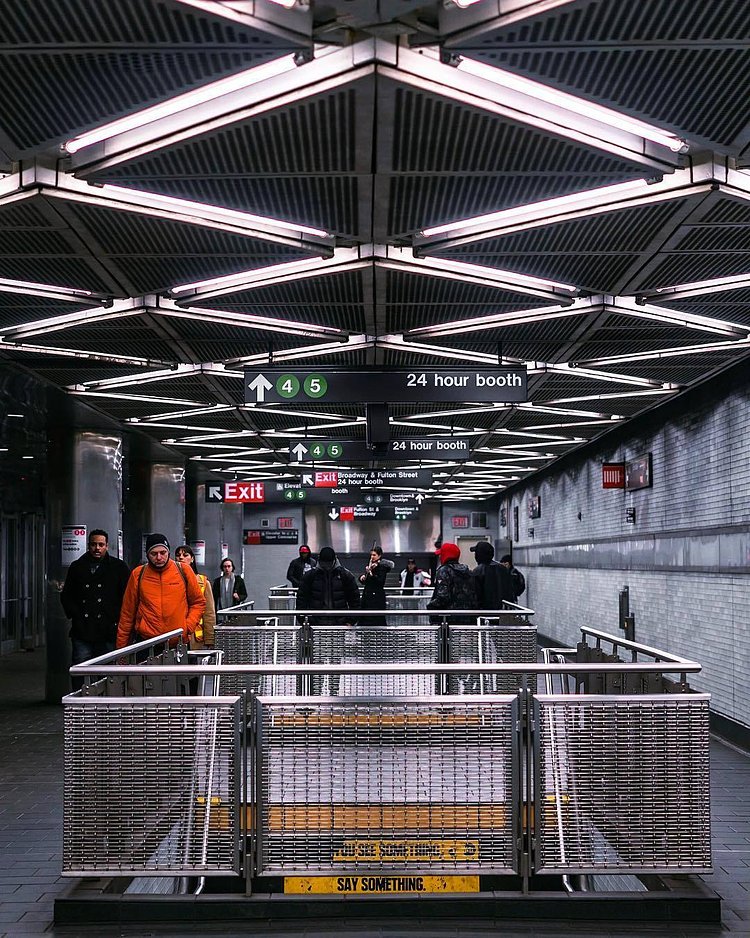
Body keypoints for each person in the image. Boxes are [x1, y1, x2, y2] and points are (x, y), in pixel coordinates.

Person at [61, 528, 130, 687]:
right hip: (83, 629)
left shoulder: (118, 568)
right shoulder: (77, 567)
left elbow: (127, 597)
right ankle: (80, 702)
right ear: (88, 546)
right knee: (81, 667)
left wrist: (119, 619)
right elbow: (67, 595)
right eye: (93, 544)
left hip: (108, 628)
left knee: (107, 670)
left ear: (107, 546)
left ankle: (105, 703)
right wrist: (75, 615)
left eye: (101, 544)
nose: (97, 548)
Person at [115, 533, 205, 649]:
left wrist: (188, 626)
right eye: (154, 554)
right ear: (147, 555)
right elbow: (127, 614)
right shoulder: (138, 574)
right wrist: (121, 650)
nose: (159, 557)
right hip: (147, 642)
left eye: (163, 553)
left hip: (178, 641)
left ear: (168, 552)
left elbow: (198, 602)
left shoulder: (184, 570)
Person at [296, 546, 359, 695]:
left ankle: (333, 692)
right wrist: (304, 621)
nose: (325, 566)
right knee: (318, 660)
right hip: (317, 625)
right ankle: (317, 692)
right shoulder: (311, 576)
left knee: (334, 661)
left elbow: (355, 599)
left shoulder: (344, 575)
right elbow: (301, 599)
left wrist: (351, 620)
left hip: (337, 625)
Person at [174, 545, 217, 648]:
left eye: (185, 555)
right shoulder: (170, 581)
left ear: (192, 559)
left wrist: (210, 639)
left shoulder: (203, 582)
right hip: (175, 635)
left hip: (194, 636)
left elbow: (209, 613)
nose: (181, 558)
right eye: (178, 555)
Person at [427, 542, 477, 624]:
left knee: (446, 637)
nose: (439, 557)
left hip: (448, 619)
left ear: (445, 556)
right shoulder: (467, 571)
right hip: (467, 618)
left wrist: (431, 606)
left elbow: (443, 596)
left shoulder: (444, 571)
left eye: (441, 554)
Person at [471, 542, 516, 610]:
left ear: (478, 555)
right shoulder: (503, 569)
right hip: (503, 611)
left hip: (485, 612)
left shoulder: (478, 571)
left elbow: (476, 595)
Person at [358, 546, 394, 627]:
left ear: (379, 556)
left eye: (374, 555)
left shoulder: (382, 567)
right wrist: (362, 577)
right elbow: (367, 581)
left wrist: (370, 574)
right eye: (371, 555)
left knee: (376, 619)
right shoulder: (371, 566)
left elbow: (380, 582)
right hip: (367, 596)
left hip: (376, 597)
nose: (372, 557)